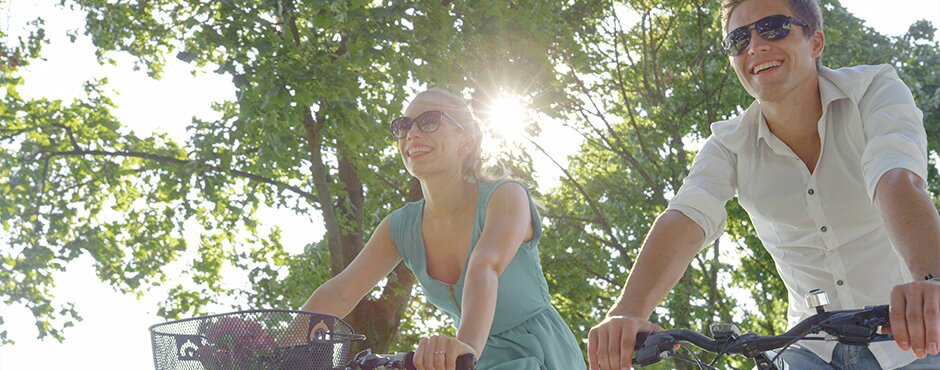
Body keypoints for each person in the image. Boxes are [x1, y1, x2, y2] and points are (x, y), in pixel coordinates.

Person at [587, 0, 940, 369]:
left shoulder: (874, 90)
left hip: (914, 336)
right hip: (809, 350)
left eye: (773, 27)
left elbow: (896, 176)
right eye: (738, 39)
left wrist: (932, 279)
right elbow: (688, 215)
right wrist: (626, 313)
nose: (754, 45)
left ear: (815, 42)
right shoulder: (728, 144)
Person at [297, 88, 586, 370]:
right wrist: (273, 354)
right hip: (474, 359)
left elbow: (485, 266)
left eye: (430, 120)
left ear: (467, 141)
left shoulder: (506, 195)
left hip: (537, 350)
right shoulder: (399, 227)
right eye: (403, 125)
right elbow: (340, 292)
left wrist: (467, 347)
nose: (411, 132)